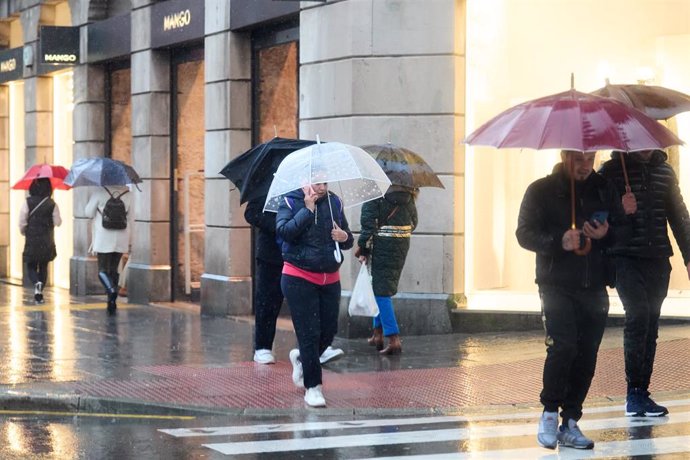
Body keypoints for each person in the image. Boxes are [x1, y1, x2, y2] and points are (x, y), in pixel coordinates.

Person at [516, 150, 630, 450]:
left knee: (587, 353)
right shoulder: (541, 190)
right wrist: (558, 241)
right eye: (579, 159)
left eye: (590, 158)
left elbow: (623, 232)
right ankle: (549, 412)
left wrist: (608, 233)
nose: (585, 165)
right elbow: (524, 234)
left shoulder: (604, 188)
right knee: (563, 347)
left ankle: (571, 420)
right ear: (565, 156)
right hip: (555, 283)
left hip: (594, 283)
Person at [599, 150, 690, 417]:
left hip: (657, 259)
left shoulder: (664, 172)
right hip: (624, 258)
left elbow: (679, 216)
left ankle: (643, 391)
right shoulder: (610, 172)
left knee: (650, 323)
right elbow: (597, 217)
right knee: (637, 316)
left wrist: (688, 255)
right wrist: (620, 208)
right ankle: (633, 392)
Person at [276, 181, 353, 407]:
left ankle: (301, 358)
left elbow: (347, 238)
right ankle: (313, 387)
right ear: (304, 181)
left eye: (324, 182)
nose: (321, 187)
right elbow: (284, 233)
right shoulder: (290, 200)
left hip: (330, 276)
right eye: (316, 182)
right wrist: (306, 210)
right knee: (309, 332)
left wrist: (344, 237)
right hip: (298, 275)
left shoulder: (334, 201)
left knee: (328, 331)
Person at [245, 197, 345, 365]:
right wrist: (280, 224)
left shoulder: (310, 190)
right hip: (272, 254)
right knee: (268, 300)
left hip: (301, 254)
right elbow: (251, 213)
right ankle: (263, 346)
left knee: (309, 307)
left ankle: (317, 348)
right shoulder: (267, 186)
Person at [355, 185, 418, 355]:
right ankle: (377, 333)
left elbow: (367, 227)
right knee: (380, 287)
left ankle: (393, 338)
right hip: (401, 245)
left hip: (381, 246)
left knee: (381, 292)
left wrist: (364, 249)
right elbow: (414, 223)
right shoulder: (408, 194)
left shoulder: (374, 194)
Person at [85, 185, 133, 314]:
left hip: (103, 236)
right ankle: (112, 301)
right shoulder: (128, 194)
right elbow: (132, 216)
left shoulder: (100, 191)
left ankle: (111, 290)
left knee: (102, 270)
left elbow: (88, 212)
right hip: (121, 236)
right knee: (113, 269)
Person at [19, 178, 62, 304]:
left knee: (30, 265)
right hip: (46, 238)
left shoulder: (28, 202)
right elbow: (58, 222)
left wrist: (24, 232)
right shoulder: (52, 204)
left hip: (32, 237)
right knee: (44, 265)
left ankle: (36, 283)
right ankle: (40, 292)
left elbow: (22, 221)